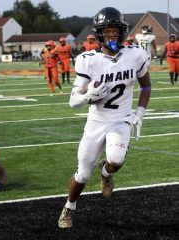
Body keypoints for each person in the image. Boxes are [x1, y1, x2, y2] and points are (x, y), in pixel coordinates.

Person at [58, 7, 151, 228]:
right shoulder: (87, 59)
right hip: (97, 121)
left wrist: (140, 112)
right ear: (100, 33)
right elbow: (73, 101)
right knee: (82, 175)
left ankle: (106, 172)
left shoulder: (135, 54)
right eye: (107, 31)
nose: (112, 36)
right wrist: (88, 96)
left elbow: (146, 85)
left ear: (122, 32)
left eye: (115, 31)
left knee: (116, 159)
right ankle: (69, 207)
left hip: (121, 119)